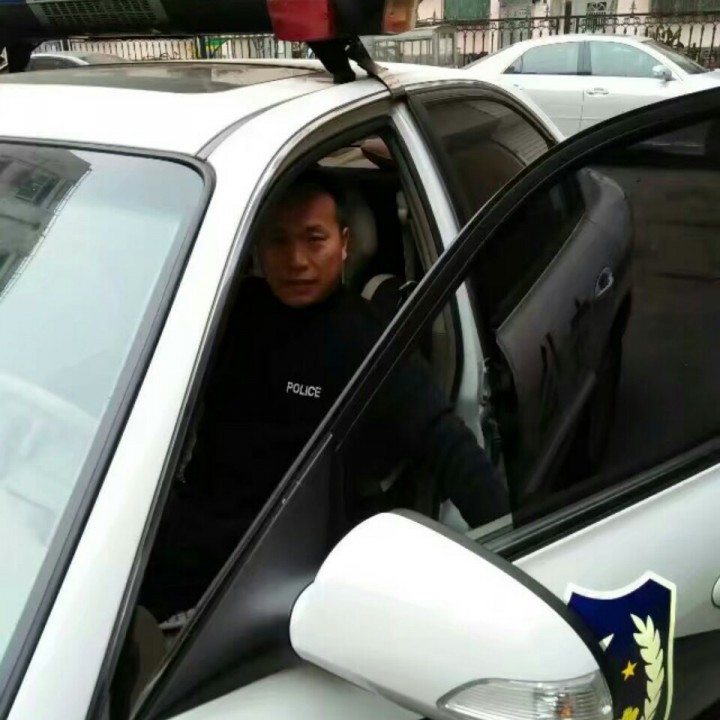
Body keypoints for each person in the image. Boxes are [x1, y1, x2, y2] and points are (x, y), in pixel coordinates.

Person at [140, 169, 509, 622]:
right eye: (278, 241)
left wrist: (515, 548)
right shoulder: (226, 314)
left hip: (280, 565)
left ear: (344, 243)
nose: (296, 260)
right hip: (186, 531)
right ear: (257, 247)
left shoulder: (370, 343)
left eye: (314, 239)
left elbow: (446, 442)